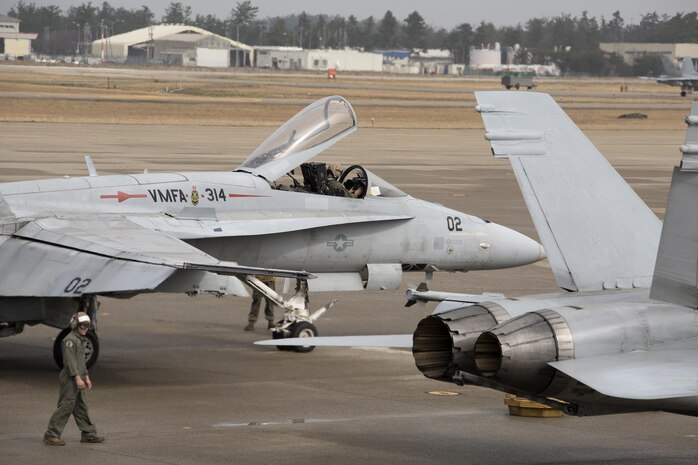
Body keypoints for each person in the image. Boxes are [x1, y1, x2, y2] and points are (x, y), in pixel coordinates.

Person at [44, 312, 104, 446]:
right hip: (71, 378)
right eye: (83, 325)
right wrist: (77, 378)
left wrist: (86, 377)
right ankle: (51, 434)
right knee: (66, 406)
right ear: (75, 325)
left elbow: (81, 362)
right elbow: (70, 362)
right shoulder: (69, 341)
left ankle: (89, 434)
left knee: (81, 406)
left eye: (87, 326)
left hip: (79, 377)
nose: (85, 328)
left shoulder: (79, 339)